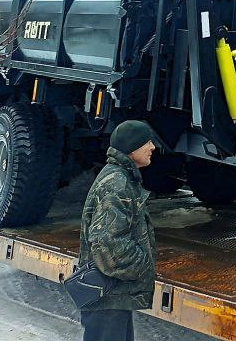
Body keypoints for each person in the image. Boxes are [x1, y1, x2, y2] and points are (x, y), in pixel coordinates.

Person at [76, 120, 159, 341]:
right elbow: (108, 245)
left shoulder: (122, 178)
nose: (152, 147)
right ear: (132, 148)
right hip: (108, 297)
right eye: (147, 142)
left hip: (112, 294)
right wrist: (143, 265)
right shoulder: (116, 184)